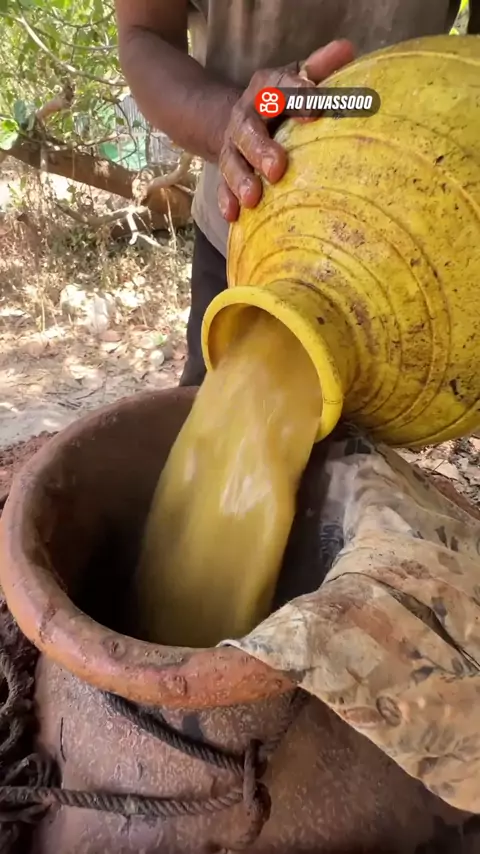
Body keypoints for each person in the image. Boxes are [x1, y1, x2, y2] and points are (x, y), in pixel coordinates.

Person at [115, 1, 476, 387]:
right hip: (241, 237)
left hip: (419, 260)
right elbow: (144, 34)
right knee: (220, 402)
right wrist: (231, 125)